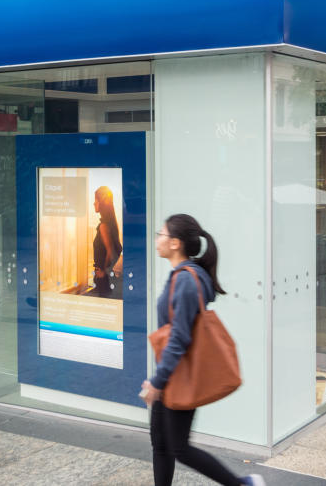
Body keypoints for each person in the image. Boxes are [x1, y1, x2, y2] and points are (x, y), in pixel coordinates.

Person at [141, 214, 264, 486]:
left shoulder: (185, 280)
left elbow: (179, 337)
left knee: (179, 447)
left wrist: (157, 381)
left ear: (175, 243)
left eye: (160, 235)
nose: (157, 240)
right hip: (170, 371)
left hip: (179, 372)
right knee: (161, 443)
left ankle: (242, 484)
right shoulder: (183, 276)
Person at [92, 186, 122, 298]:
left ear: (101, 203)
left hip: (104, 276)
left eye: (95, 200)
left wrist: (103, 271)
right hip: (107, 275)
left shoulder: (104, 226)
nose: (94, 203)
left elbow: (110, 252)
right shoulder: (111, 223)